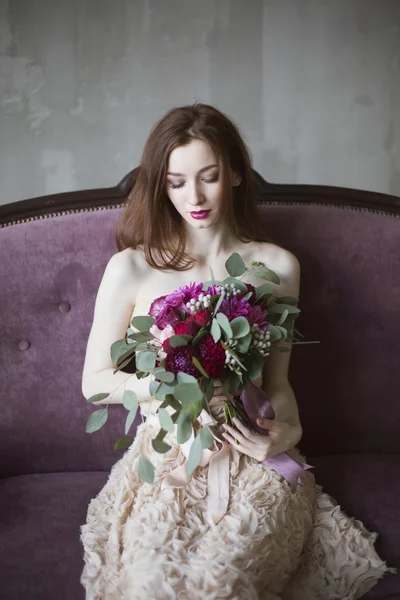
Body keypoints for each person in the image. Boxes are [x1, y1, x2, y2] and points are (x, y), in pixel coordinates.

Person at [80, 103, 391, 599]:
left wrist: (288, 433)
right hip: (169, 459)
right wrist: (173, 386)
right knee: (149, 582)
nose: (194, 196)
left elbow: (278, 385)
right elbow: (94, 383)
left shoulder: (278, 266)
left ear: (237, 175)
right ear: (160, 184)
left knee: (226, 581)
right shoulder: (131, 268)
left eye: (209, 177)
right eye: (176, 181)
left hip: (254, 455)